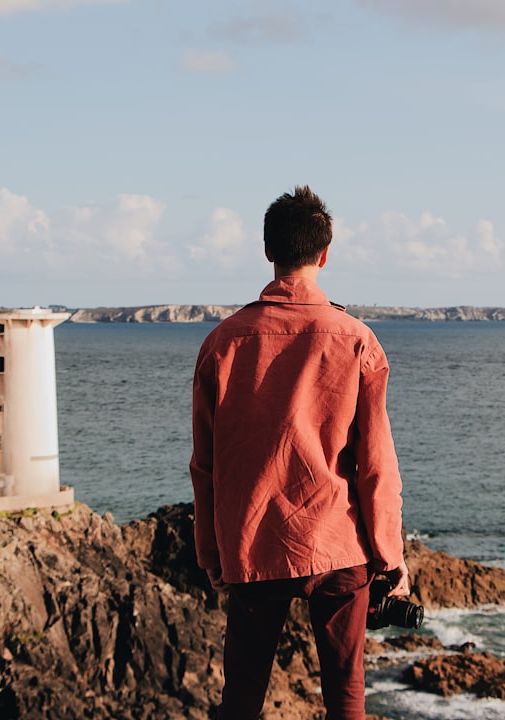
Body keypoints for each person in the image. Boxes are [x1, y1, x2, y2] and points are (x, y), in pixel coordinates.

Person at [189, 185, 409, 720]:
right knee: (346, 697)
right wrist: (391, 558)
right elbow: (376, 465)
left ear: (268, 250)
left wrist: (211, 553)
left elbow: (205, 466)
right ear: (325, 254)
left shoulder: (222, 343)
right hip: (337, 545)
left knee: (240, 699)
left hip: (252, 543)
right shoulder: (356, 340)